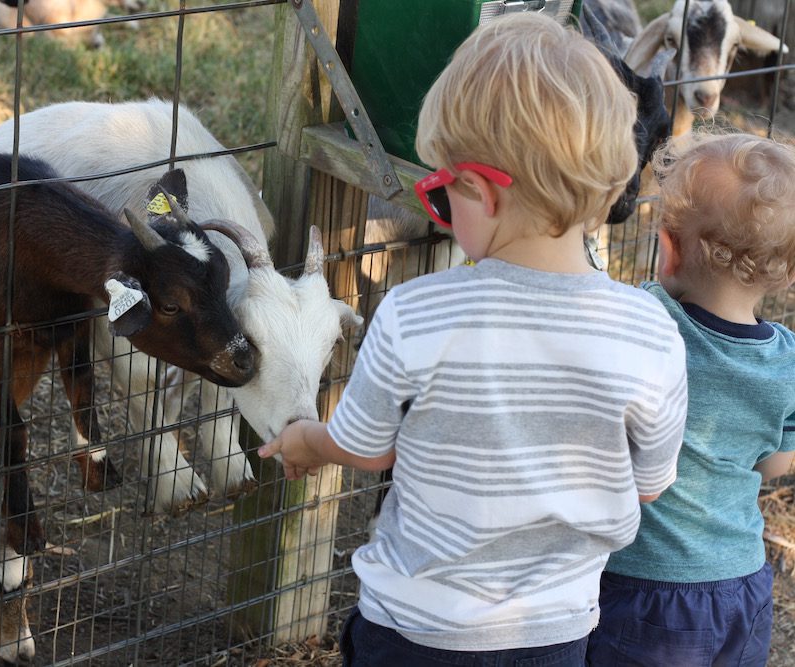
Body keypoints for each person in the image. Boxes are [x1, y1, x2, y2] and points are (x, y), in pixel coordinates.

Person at [257, 12, 688, 666]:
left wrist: (306, 442)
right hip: (557, 632)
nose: (438, 208)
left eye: (439, 193)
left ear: (482, 193)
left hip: (414, 630)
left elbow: (365, 447)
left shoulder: (415, 314)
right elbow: (651, 484)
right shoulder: (651, 331)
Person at [586, 131, 795, 666]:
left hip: (644, 584)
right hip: (742, 584)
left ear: (669, 246)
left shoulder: (644, 318)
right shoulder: (788, 360)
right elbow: (775, 463)